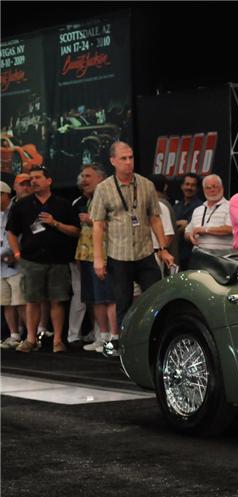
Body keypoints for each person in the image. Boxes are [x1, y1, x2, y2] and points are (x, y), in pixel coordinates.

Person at [91, 141, 174, 356]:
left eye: (131, 158)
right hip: (118, 254)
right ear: (113, 161)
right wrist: (98, 259)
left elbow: (155, 218)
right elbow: (98, 225)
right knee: (123, 302)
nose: (129, 162)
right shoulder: (104, 188)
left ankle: (159, 338)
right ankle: (125, 345)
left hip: (145, 252)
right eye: (123, 159)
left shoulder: (145, 185)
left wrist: (163, 248)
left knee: (157, 295)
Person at [4, 166, 80, 353]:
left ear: (49, 181)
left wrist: (55, 223)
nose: (34, 181)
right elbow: (11, 232)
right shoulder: (23, 205)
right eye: (31, 178)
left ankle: (57, 340)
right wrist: (16, 254)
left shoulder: (63, 204)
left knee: (57, 300)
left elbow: (75, 231)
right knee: (32, 300)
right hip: (31, 260)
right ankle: (30, 339)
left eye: (38, 177)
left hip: (58, 259)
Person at [72, 165, 115, 353]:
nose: (84, 180)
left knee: (108, 298)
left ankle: (114, 340)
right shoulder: (89, 200)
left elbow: (116, 226)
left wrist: (91, 220)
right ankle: (102, 337)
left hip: (104, 256)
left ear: (101, 179)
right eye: (82, 176)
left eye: (88, 176)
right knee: (95, 299)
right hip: (87, 256)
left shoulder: (109, 198)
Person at [1, 181, 27, 350]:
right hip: (1, 268)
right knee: (6, 302)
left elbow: (19, 236)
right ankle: (14, 335)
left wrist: (12, 253)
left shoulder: (16, 210)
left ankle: (29, 335)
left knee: (21, 302)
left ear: (4, 194)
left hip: (16, 263)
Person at [185, 175, 231, 252]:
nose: (212, 190)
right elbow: (187, 232)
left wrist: (205, 230)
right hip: (200, 257)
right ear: (203, 190)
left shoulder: (231, 206)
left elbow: (230, 229)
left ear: (222, 188)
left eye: (214, 186)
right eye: (208, 188)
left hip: (223, 258)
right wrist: (190, 235)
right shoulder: (197, 210)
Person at [172, 173, 202, 269]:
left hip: (191, 256)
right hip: (176, 254)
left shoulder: (200, 207)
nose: (189, 187)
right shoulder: (176, 207)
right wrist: (179, 224)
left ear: (197, 189)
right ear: (182, 186)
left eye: (193, 185)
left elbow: (186, 227)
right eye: (187, 184)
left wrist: (180, 225)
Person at [150, 175, 176, 276]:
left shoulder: (161, 205)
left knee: (153, 288)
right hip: (136, 255)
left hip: (155, 253)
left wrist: (161, 251)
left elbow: (169, 235)